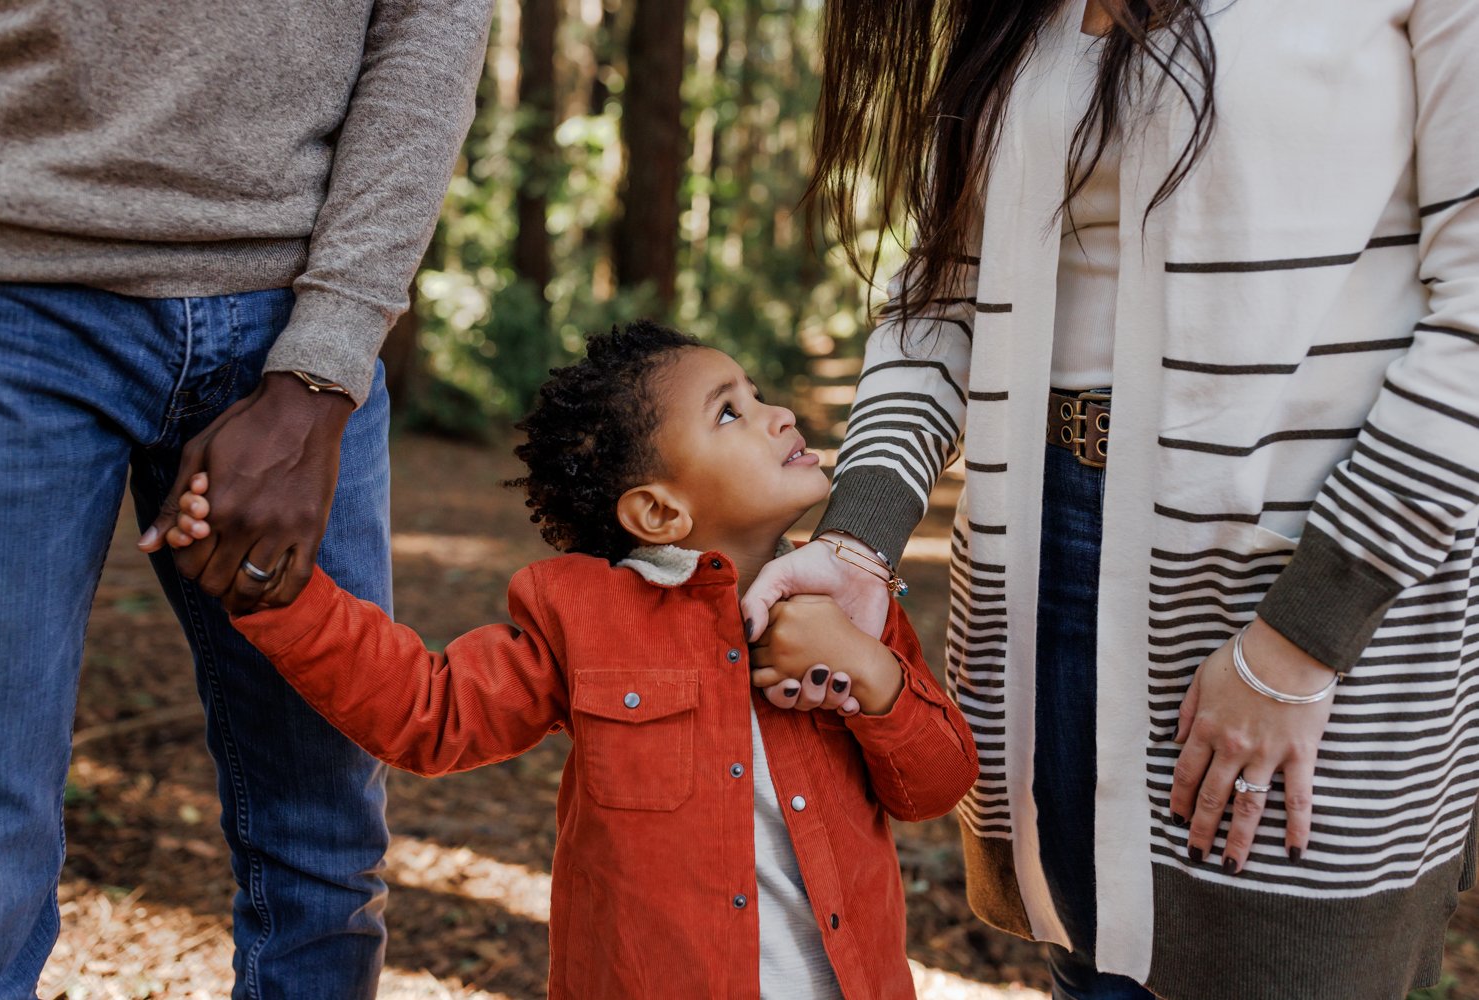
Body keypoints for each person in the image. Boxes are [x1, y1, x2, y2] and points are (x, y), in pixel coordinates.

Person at [741, 0, 1479, 997]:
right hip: (1042, 565)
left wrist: (1298, 643)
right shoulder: (1016, 14)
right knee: (1091, 966)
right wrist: (857, 539)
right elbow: (937, 302)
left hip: (1311, 585)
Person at [167, 321, 979, 998]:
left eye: (756, 394)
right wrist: (283, 597)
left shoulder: (848, 596)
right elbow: (431, 713)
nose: (775, 415)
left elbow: (935, 784)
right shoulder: (582, 616)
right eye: (729, 413)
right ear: (659, 512)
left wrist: (868, 673)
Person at [0, 3, 493, 995]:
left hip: (292, 298)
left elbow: (432, 22)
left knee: (324, 837)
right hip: (6, 289)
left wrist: (323, 364)